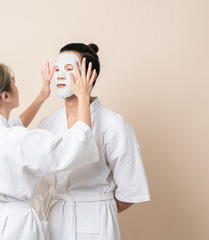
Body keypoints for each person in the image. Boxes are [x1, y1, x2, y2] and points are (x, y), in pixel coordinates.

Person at [0, 61, 98, 240]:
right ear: (6, 96)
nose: (16, 86)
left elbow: (16, 124)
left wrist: (42, 96)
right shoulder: (18, 140)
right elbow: (79, 145)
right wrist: (83, 97)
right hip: (17, 229)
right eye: (14, 82)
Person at [37, 43, 151, 240]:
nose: (60, 75)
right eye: (57, 69)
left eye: (69, 69)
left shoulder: (114, 125)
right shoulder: (46, 124)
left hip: (96, 224)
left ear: (91, 76)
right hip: (53, 221)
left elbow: (130, 190)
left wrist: (96, 208)